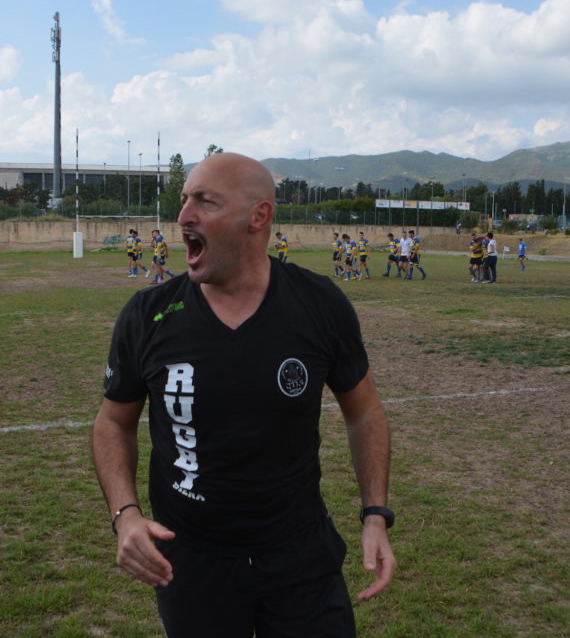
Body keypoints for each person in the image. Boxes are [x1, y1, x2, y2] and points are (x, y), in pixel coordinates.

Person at [92, 153, 395, 638]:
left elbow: (365, 413)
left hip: (300, 553)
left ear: (259, 217)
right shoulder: (148, 315)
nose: (183, 216)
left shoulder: (319, 304)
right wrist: (125, 514)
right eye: (184, 199)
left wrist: (375, 514)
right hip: (191, 559)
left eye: (205, 201)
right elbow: (113, 423)